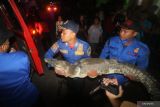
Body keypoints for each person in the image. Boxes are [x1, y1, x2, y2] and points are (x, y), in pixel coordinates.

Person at [44, 20, 91, 105]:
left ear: (73, 34)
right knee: (70, 87)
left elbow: (89, 61)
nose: (61, 34)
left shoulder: (85, 46)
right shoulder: (59, 44)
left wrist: (89, 70)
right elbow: (47, 55)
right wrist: (55, 66)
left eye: (64, 32)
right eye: (61, 32)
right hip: (67, 71)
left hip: (79, 73)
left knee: (78, 91)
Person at [100, 19, 150, 85]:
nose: (121, 33)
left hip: (124, 79)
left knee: (119, 93)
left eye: (125, 31)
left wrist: (133, 77)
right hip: (107, 73)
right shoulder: (111, 40)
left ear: (135, 33)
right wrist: (99, 69)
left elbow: (142, 68)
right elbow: (102, 56)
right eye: (121, 30)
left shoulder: (142, 49)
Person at [0, 27, 38, 107]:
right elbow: (27, 74)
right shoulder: (21, 57)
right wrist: (13, 55)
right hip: (29, 98)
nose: (9, 44)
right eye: (7, 42)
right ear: (2, 47)